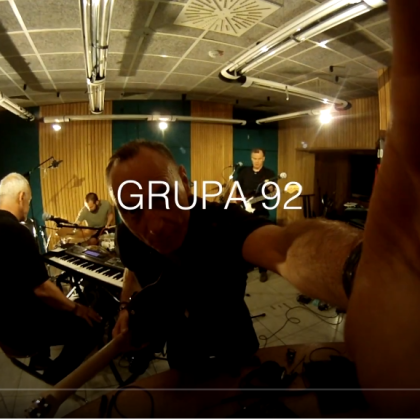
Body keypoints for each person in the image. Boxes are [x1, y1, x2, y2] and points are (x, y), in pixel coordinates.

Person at [0, 173, 103, 384]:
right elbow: (42, 289)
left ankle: (40, 359)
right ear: (21, 197)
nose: (28, 207)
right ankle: (55, 380)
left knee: (61, 303)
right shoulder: (17, 231)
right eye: (29, 201)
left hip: (4, 326)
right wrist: (77, 308)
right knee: (89, 326)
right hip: (21, 330)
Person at [236, 148, 276, 282]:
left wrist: (271, 188)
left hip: (261, 212)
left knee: (261, 241)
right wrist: (237, 201)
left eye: (259, 159)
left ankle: (263, 270)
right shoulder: (244, 172)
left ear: (264, 158)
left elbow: (273, 192)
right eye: (254, 158)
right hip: (244, 210)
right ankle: (245, 265)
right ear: (251, 158)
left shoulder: (269, 174)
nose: (256, 161)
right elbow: (236, 188)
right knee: (243, 239)